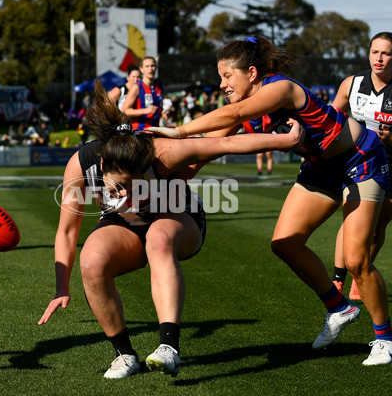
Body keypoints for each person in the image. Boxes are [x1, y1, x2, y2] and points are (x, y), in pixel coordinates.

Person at [146, 36, 392, 366]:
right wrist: (161, 191)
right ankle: (339, 307)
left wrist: (177, 131)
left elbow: (232, 112)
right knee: (284, 243)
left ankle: (386, 339)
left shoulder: (280, 87)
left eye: (227, 76)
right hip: (319, 167)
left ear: (251, 73)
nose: (221, 84)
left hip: (360, 158)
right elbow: (202, 153)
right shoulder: (245, 109)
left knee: (355, 260)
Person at [37, 80, 304, 379]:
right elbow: (67, 233)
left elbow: (223, 144)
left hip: (176, 215)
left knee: (158, 238)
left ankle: (169, 348)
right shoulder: (81, 164)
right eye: (118, 186)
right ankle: (124, 355)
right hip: (123, 225)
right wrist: (62, 287)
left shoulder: (161, 152)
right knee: (91, 260)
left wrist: (286, 141)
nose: (125, 194)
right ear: (102, 164)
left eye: (134, 184)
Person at [330, 32, 392, 300]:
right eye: (375, 52)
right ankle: (338, 281)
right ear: (369, 53)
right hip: (358, 163)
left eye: (386, 53)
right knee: (350, 221)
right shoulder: (352, 83)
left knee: (376, 228)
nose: (379, 58)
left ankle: (360, 274)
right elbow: (331, 116)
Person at [120, 56, 164, 131]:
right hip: (139, 132)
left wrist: (163, 112)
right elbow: (124, 110)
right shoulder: (137, 87)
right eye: (147, 66)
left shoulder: (159, 86)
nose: (150, 69)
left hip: (156, 130)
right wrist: (145, 111)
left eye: (152, 66)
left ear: (156, 68)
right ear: (141, 69)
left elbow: (157, 107)